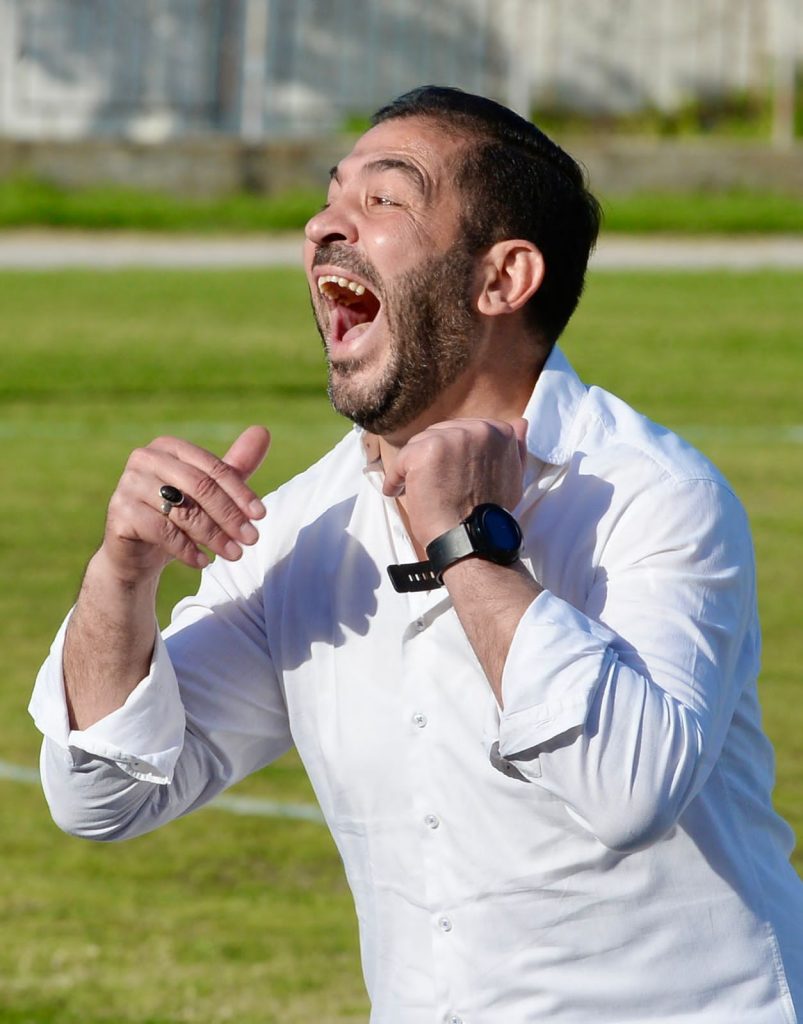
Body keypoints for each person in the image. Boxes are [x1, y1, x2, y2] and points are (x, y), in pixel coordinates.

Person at [31, 86, 802, 1023]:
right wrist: (120, 578)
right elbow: (104, 798)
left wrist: (467, 541)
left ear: (502, 278)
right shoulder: (300, 527)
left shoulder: (651, 493)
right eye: (330, 196)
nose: (324, 225)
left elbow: (629, 792)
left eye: (383, 199)